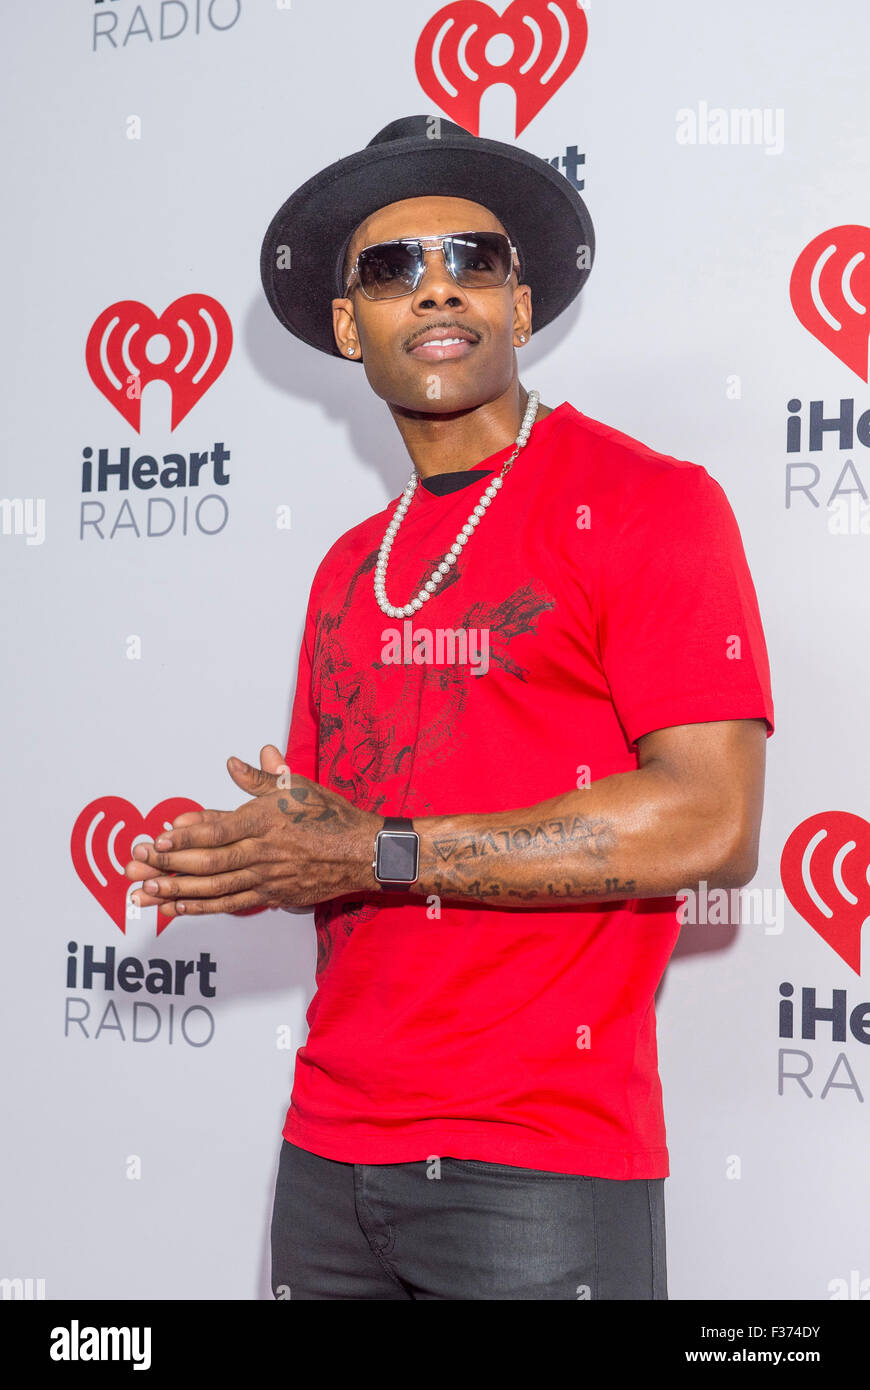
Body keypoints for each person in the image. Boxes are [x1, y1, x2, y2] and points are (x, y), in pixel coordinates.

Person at [125, 115, 775, 1300]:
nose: (438, 289)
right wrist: (265, 851)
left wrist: (371, 845)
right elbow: (345, 846)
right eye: (391, 268)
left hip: (537, 1169)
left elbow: (709, 823)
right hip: (328, 1152)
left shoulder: (651, 503)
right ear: (346, 326)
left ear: (521, 306)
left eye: (475, 259)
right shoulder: (347, 566)